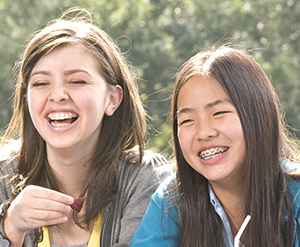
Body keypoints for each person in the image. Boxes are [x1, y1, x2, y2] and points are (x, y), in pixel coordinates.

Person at [0, 8, 171, 247]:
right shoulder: (2, 179)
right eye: (40, 83)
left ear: (112, 99)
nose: (57, 95)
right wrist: (10, 227)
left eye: (77, 81)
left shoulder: (146, 181)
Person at [129, 46, 300, 247]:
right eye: (187, 120)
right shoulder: (172, 200)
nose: (203, 132)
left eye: (218, 113)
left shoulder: (295, 196)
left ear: (258, 115)